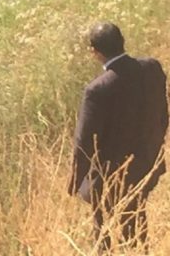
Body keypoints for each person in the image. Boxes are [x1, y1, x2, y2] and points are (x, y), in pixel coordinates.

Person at [68, 22, 168, 252]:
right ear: (122, 41)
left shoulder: (97, 89)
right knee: (135, 219)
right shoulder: (152, 68)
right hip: (147, 164)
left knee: (104, 231)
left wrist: (75, 182)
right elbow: (163, 113)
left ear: (95, 52)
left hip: (112, 176)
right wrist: (155, 145)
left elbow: (84, 143)